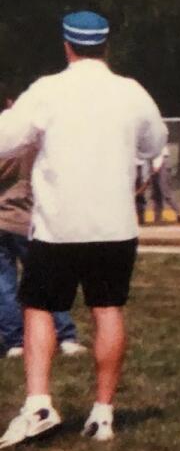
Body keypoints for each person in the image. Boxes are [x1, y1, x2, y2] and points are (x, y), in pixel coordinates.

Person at [0, 11, 167, 448]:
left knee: (38, 306)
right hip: (115, 223)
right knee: (107, 308)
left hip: (59, 224)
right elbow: (154, 143)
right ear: (106, 46)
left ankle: (38, 403)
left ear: (67, 45)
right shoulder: (131, 92)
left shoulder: (48, 91)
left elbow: (5, 138)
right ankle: (103, 413)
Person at [0, 104, 86, 361]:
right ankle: (65, 335)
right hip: (29, 219)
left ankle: (15, 340)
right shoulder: (34, 142)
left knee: (4, 284)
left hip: (3, 219)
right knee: (47, 280)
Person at [150, 146, 180, 223]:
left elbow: (158, 150)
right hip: (156, 163)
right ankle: (157, 218)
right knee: (156, 194)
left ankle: (179, 214)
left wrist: (156, 166)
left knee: (166, 192)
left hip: (161, 163)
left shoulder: (156, 138)